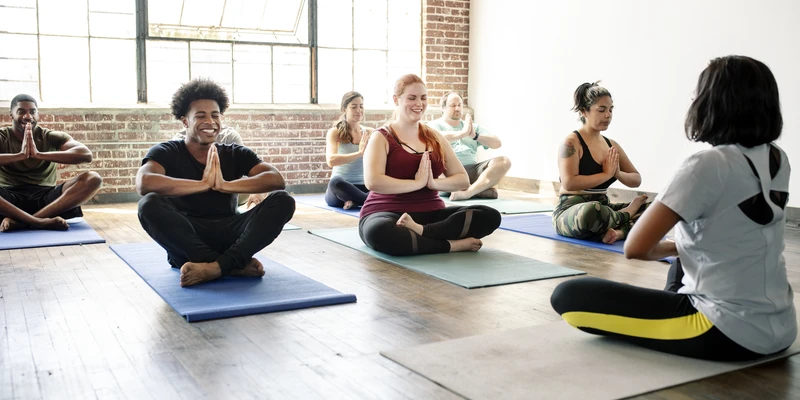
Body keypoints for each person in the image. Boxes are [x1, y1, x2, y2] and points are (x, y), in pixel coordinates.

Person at [551, 56, 795, 361]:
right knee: (683, 247)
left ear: (713, 103)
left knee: (568, 295)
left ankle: (673, 313)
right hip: (782, 327)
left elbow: (636, 248)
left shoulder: (706, 164)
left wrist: (684, 246)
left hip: (724, 330)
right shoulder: (778, 158)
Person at [136, 79, 295, 287]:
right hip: (188, 239)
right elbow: (144, 183)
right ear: (185, 121)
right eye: (200, 116)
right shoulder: (166, 151)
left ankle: (214, 268)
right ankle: (232, 265)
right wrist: (203, 184)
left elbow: (275, 179)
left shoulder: (234, 153)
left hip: (230, 231)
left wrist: (224, 185)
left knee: (283, 200)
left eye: (215, 115)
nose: (210, 121)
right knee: (148, 204)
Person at [358, 74, 501, 256]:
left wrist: (432, 183)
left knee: (489, 216)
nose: (419, 103)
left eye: (423, 98)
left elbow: (462, 180)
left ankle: (423, 233)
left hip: (431, 215)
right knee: (381, 232)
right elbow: (373, 182)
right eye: (412, 98)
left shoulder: (435, 137)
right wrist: (416, 183)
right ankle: (451, 245)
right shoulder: (382, 136)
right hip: (387, 212)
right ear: (396, 100)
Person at [553, 82, 648, 244]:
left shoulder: (611, 145)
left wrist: (617, 173)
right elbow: (569, 183)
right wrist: (606, 174)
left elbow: (636, 179)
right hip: (572, 211)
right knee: (590, 212)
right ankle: (627, 215)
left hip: (604, 209)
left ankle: (617, 233)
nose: (608, 115)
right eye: (602, 110)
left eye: (611, 110)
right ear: (584, 111)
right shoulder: (571, 143)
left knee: (657, 208)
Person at [0, 94, 102, 232]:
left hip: (46, 198)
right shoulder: (3, 137)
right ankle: (37, 221)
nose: (27, 116)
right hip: (8, 199)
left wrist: (38, 154)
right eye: (21, 111)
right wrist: (20, 156)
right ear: (11, 115)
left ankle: (25, 222)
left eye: (32, 111)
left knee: (93, 178)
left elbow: (86, 155)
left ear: (38, 114)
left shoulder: (50, 136)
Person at [427, 91, 511, 200]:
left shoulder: (472, 127)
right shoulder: (434, 125)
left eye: (460, 105)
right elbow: (435, 138)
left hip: (472, 169)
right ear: (443, 108)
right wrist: (462, 133)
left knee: (504, 161)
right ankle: (479, 190)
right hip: (448, 171)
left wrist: (475, 136)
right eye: (453, 105)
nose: (457, 108)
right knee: (435, 171)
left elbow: (497, 143)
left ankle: (468, 192)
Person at [173, 125, 267, 209]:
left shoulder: (229, 136)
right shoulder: (179, 142)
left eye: (214, 114)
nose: (208, 121)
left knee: (268, 190)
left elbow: (260, 175)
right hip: (194, 195)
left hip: (230, 193)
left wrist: (256, 194)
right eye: (200, 115)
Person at [324, 91, 373, 209]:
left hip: (364, 186)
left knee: (383, 185)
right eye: (354, 107)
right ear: (344, 109)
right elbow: (331, 161)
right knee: (336, 182)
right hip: (341, 188)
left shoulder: (370, 132)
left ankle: (356, 200)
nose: (358, 110)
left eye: (361, 106)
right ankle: (370, 201)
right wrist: (359, 153)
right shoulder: (335, 132)